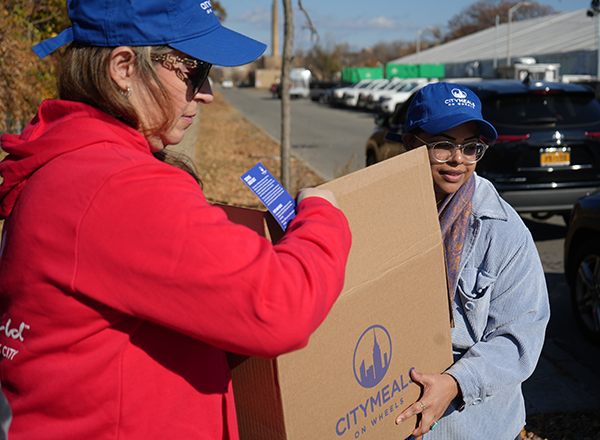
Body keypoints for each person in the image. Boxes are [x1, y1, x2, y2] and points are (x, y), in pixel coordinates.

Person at [0, 1, 351, 439]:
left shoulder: (74, 163)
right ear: (124, 67)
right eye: (194, 71)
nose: (205, 92)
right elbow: (280, 307)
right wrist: (323, 216)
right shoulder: (117, 186)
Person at [393, 82, 550, 440]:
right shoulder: (384, 213)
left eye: (471, 147)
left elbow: (520, 336)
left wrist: (454, 382)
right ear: (410, 144)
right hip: (391, 410)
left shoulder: (503, 231)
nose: (457, 159)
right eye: (443, 144)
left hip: (474, 425)